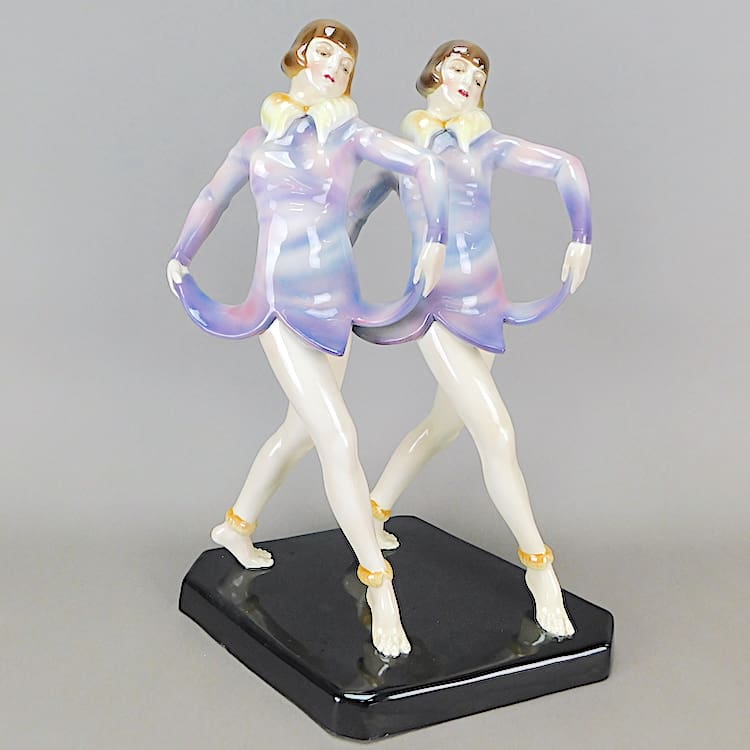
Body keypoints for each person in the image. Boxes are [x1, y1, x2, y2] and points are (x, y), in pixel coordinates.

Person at [166, 20, 447, 657]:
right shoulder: (256, 140)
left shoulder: (351, 133)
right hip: (278, 302)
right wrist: (182, 253)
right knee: (338, 436)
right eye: (324, 54)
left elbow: (424, 164)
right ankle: (380, 587)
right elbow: (213, 195)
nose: (333, 68)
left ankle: (237, 524)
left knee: (300, 430)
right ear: (297, 57)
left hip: (335, 303)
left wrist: (433, 238)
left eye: (345, 65)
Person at [347, 40, 592, 637]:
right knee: (497, 433)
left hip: (487, 306)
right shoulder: (401, 156)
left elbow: (565, 166)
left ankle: (375, 507)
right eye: (459, 68)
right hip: (437, 308)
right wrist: (327, 291)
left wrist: (580, 234)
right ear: (433, 73)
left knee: (444, 426)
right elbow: (347, 220)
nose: (470, 80)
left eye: (480, 76)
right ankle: (540, 569)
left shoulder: (487, 145)